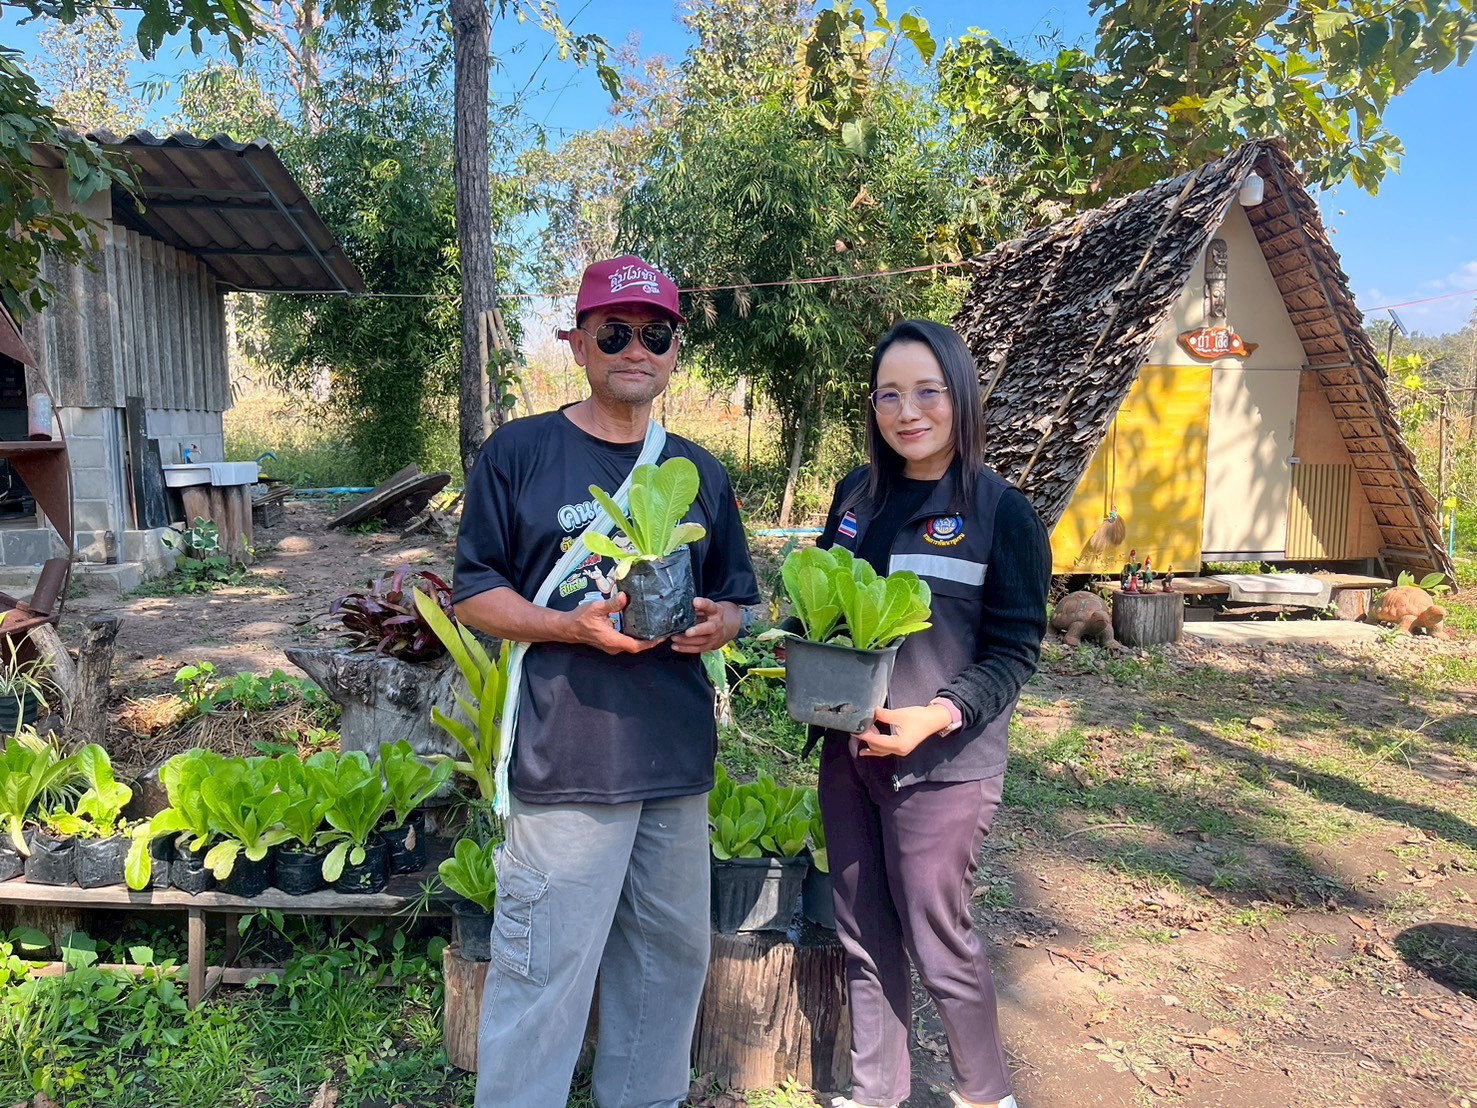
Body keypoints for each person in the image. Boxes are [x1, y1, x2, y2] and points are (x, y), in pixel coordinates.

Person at [452, 254, 761, 1108]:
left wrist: (721, 622)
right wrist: (566, 626)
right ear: (578, 343)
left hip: (673, 763)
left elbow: (741, 597)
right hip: (567, 758)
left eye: (654, 334)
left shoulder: (700, 466)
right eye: (614, 332)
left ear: (673, 349)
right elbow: (474, 593)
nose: (636, 349)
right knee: (544, 970)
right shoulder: (518, 452)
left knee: (669, 964)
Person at [814, 319, 1050, 1108]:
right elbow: (827, 613)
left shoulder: (999, 512)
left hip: (941, 770)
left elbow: (1014, 650)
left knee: (936, 939)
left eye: (926, 391)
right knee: (861, 933)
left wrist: (937, 715)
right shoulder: (855, 497)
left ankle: (987, 1096)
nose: (906, 411)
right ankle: (874, 1092)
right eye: (888, 394)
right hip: (847, 756)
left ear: (960, 396)